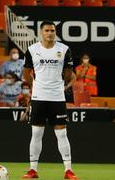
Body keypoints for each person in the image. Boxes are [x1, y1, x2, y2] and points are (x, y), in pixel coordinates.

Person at [23, 21, 78, 180]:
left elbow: (68, 72)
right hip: (39, 97)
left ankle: (68, 170)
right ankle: (32, 170)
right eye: (47, 30)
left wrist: (62, 81)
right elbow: (27, 72)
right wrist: (35, 87)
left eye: (52, 30)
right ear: (41, 32)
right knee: (36, 133)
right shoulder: (32, 50)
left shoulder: (64, 49)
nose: (50, 33)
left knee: (62, 134)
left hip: (57, 97)